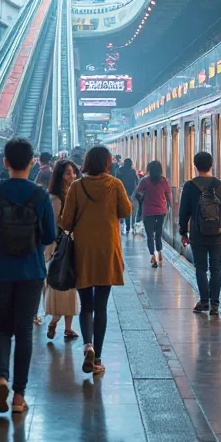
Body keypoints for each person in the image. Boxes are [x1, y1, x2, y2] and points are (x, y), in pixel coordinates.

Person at [0, 137, 56, 415]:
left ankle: (1, 379)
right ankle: (19, 397)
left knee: (3, 329)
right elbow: (49, 235)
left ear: (5, 162)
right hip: (31, 271)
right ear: (32, 162)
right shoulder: (40, 195)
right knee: (24, 332)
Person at [58, 146, 132, 377]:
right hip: (108, 250)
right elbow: (127, 211)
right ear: (108, 163)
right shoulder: (115, 184)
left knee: (86, 305)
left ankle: (87, 345)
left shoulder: (77, 186)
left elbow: (66, 221)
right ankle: (97, 358)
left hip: (83, 250)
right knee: (101, 305)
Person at [179, 150, 221, 317]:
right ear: (212, 165)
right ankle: (215, 304)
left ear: (195, 166)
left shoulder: (190, 186)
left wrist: (183, 232)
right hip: (218, 235)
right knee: (216, 268)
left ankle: (204, 301)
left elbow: (184, 212)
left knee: (201, 268)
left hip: (198, 235)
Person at [45, 159, 80, 340]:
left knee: (70, 284)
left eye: (73, 172)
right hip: (59, 245)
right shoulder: (56, 198)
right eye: (67, 173)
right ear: (60, 175)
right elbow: (57, 222)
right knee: (62, 283)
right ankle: (55, 321)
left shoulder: (71, 193)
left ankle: (67, 327)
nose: (72, 176)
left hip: (69, 243)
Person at [136, 160, 172, 268]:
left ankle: (153, 257)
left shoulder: (145, 181)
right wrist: (170, 206)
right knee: (159, 233)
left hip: (148, 212)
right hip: (161, 211)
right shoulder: (164, 181)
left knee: (150, 235)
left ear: (149, 170)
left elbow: (137, 193)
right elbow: (169, 195)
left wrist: (142, 197)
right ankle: (160, 253)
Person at [117, 158, 139, 234]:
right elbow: (137, 181)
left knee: (125, 208)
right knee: (131, 208)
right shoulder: (133, 171)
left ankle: (127, 225)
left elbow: (117, 180)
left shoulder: (120, 170)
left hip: (122, 192)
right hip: (131, 193)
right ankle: (131, 225)